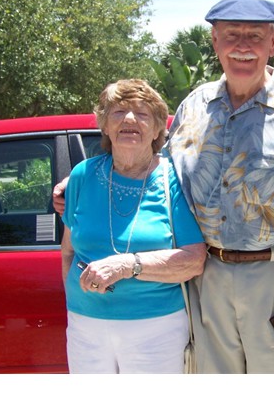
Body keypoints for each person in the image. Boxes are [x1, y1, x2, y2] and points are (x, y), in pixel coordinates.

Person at [54, 0, 274, 373]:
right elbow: (154, 167)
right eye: (232, 35)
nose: (243, 46)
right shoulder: (193, 107)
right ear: (215, 41)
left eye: (255, 36)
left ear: (273, 43)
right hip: (207, 279)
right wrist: (82, 182)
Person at [60, 78, 205, 374]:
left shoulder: (172, 180)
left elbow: (194, 260)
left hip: (155, 329)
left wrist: (128, 265)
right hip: (84, 326)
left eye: (142, 114)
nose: (129, 119)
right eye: (118, 112)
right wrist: (77, 299)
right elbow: (67, 252)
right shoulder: (82, 175)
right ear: (105, 126)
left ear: (156, 130)